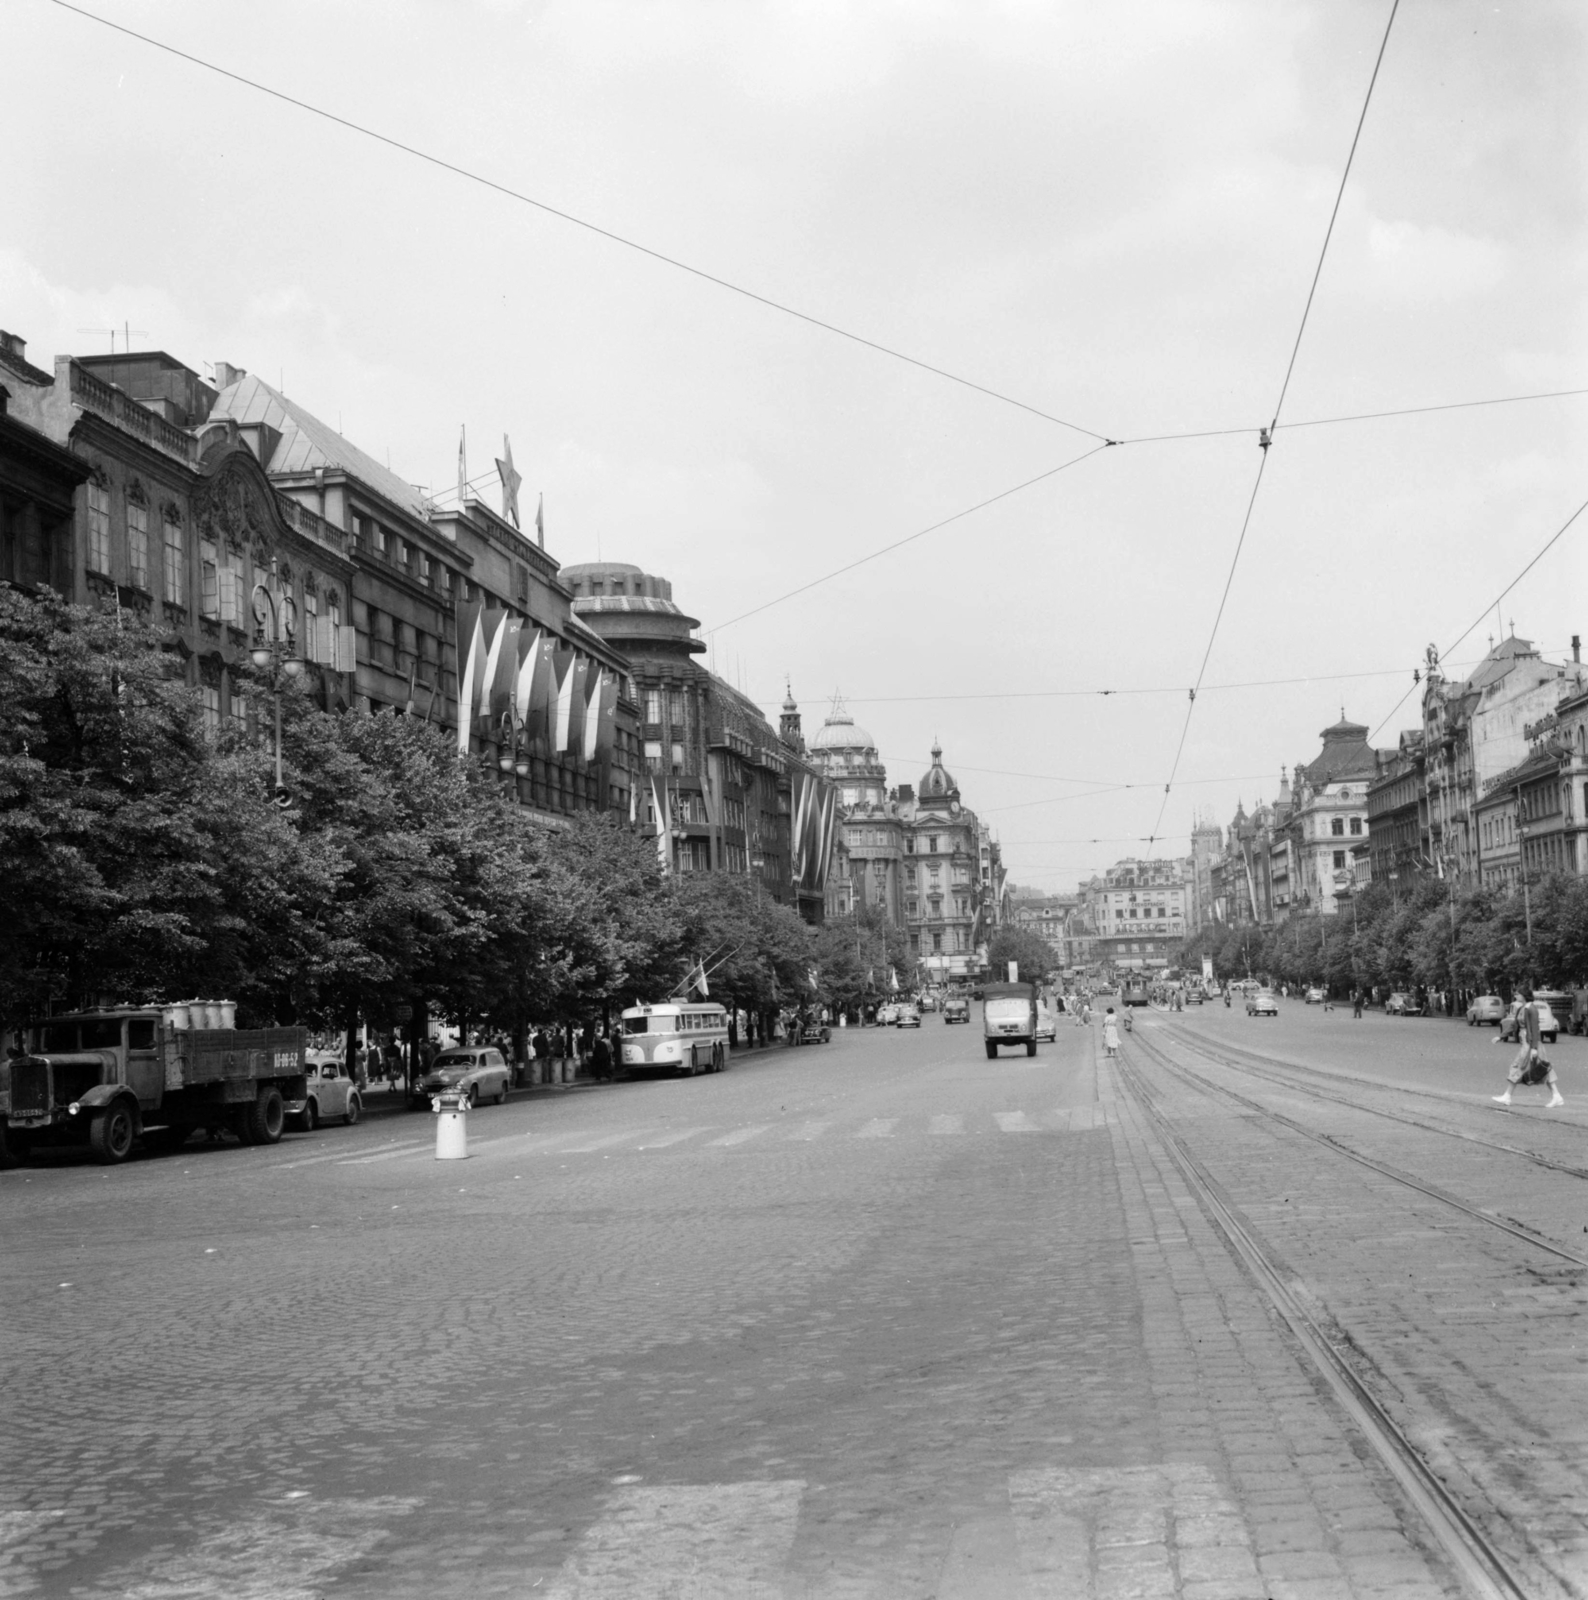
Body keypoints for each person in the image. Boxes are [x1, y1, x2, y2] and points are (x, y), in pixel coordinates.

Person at [1494, 988, 1565, 1109]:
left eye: (1517, 994)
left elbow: (1535, 1029)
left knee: (1520, 1066)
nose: (1515, 995)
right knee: (1543, 1069)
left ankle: (1507, 1096)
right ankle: (1556, 1096)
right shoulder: (1522, 1008)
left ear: (1524, 995)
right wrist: (1501, 1036)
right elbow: (1514, 1025)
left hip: (1530, 1044)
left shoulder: (1531, 1009)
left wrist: (1534, 1048)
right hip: (1527, 1043)